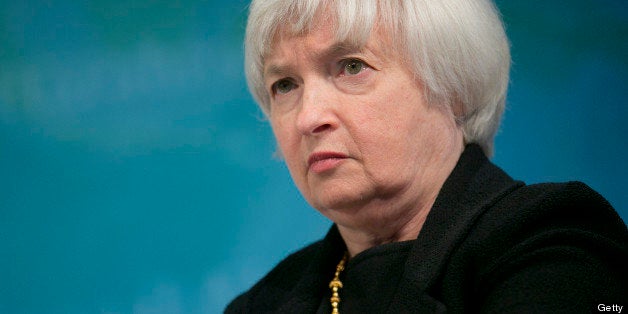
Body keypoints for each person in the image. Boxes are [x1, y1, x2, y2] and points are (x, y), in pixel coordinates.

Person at [226, 0, 628, 312]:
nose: (308, 117)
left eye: (352, 66)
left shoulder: (553, 242)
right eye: (284, 85)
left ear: (452, 86)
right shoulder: (262, 304)